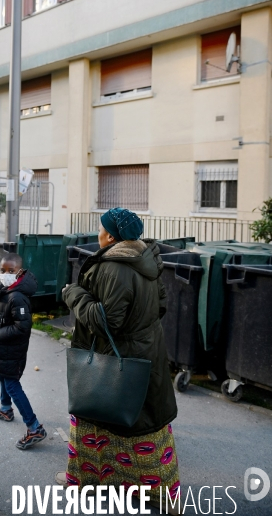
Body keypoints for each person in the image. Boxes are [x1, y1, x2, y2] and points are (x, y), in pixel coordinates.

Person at [56, 208, 180, 515]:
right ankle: (161, 494)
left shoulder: (114, 268)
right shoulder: (147, 260)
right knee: (147, 425)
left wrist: (74, 295)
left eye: (101, 228)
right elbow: (161, 305)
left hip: (114, 359)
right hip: (147, 353)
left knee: (95, 418)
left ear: (111, 236)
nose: (97, 233)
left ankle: (85, 481)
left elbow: (106, 321)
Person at [0, 253, 46, 450]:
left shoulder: (17, 297)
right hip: (4, 350)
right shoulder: (8, 291)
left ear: (19, 272)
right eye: (2, 270)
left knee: (11, 385)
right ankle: (5, 409)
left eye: (10, 271)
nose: (5, 274)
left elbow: (22, 327)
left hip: (11, 351)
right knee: (3, 377)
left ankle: (34, 427)